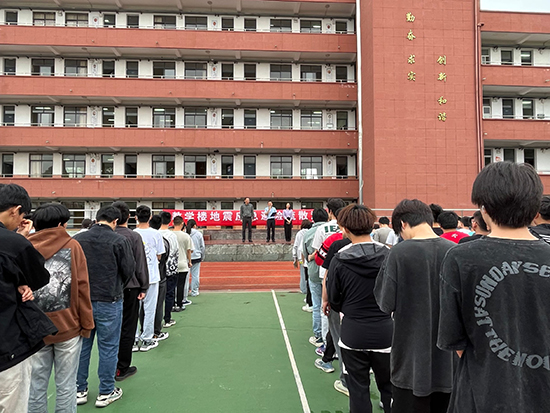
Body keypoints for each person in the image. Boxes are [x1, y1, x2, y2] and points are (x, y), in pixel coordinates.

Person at [438, 161, 550, 413]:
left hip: (482, 393)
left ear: (484, 210)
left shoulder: (461, 258)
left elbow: (454, 339)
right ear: (535, 210)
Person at [374, 199, 454, 413]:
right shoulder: (454, 251)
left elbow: (385, 303)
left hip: (410, 361)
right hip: (449, 364)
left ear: (403, 224)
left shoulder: (398, 253)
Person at [27, 203, 94, 413]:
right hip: (68, 326)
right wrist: (87, 323)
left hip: (33, 329)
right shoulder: (73, 246)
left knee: (35, 387)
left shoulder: (24, 246)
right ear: (59, 224)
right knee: (66, 385)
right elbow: (82, 287)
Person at [326, 204, 392, 413]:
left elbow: (334, 299)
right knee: (390, 389)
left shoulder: (339, 259)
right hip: (385, 332)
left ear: (345, 228)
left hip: (353, 332)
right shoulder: (389, 255)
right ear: (371, 226)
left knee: (358, 391)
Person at [0, 184, 57, 413]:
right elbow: (38, 277)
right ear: (16, 210)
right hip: (7, 345)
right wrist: (20, 238)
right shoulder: (14, 244)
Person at [74, 206, 135, 408]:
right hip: (110, 299)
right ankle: (106, 391)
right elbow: (128, 270)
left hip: (83, 300)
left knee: (83, 346)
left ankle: (79, 389)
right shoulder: (119, 240)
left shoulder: (78, 239)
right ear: (115, 221)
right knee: (109, 347)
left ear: (97, 218)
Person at [112, 201, 149, 381]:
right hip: (130, 287)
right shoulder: (133, 236)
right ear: (128, 217)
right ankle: (122, 367)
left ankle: (109, 367)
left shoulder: (107, 235)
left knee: (109, 329)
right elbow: (140, 263)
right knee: (128, 327)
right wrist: (143, 286)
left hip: (108, 288)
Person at [134, 205, 165, 351]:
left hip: (135, 277)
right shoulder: (156, 234)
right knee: (150, 309)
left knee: (134, 310)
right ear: (150, 217)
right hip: (151, 275)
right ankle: (147, 338)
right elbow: (159, 254)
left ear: (135, 217)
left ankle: (134, 339)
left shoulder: (132, 234)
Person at [302, 208, 329, 347]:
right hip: (330, 271)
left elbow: (305, 253)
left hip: (314, 270)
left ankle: (318, 335)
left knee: (317, 304)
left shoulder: (308, 233)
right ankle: (330, 336)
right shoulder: (334, 230)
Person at [149, 215, 170, 342]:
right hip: (158, 276)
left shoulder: (136, 235)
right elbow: (163, 257)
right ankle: (156, 332)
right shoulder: (162, 239)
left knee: (143, 306)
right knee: (157, 305)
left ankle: (144, 332)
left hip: (141, 276)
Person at [159, 211, 179, 328]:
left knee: (156, 296)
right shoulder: (172, 236)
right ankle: (167, 319)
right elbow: (175, 252)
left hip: (157, 269)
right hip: (170, 268)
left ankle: (155, 322)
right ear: (170, 221)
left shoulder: (155, 233)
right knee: (169, 294)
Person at [172, 215, 194, 310]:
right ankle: (180, 304)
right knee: (181, 285)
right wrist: (190, 261)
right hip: (182, 262)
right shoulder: (186, 236)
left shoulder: (169, 235)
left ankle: (172, 304)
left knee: (171, 285)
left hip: (171, 263)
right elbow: (189, 250)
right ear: (182, 224)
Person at [293, 219, 312, 311]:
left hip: (301, 257)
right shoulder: (311, 232)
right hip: (309, 257)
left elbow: (296, 246)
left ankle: (304, 291)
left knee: (303, 275)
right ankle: (307, 293)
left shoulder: (299, 233)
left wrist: (295, 258)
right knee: (309, 277)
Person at [187, 219, 205, 297]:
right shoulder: (198, 234)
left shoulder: (185, 233)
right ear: (194, 226)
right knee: (195, 275)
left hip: (187, 257)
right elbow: (202, 247)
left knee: (186, 276)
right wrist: (202, 256)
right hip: (196, 256)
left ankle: (185, 291)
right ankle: (194, 291)